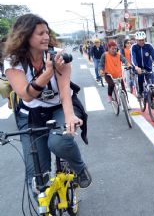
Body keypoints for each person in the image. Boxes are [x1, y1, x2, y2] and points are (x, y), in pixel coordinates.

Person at [3, 14, 91, 190]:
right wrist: (48, 72)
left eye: (47, 32)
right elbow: (26, 95)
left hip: (59, 107)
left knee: (59, 142)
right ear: (25, 36)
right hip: (31, 114)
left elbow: (65, 93)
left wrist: (70, 117)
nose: (46, 37)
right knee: (37, 180)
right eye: (40, 33)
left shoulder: (59, 56)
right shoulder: (13, 62)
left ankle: (80, 169)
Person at [130, 31, 154, 98]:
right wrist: (136, 67)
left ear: (145, 39)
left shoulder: (148, 46)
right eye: (139, 40)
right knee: (140, 77)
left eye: (142, 40)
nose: (141, 42)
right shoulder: (134, 47)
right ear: (136, 40)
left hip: (148, 67)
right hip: (138, 67)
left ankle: (151, 96)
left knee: (151, 82)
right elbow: (133, 57)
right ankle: (140, 92)